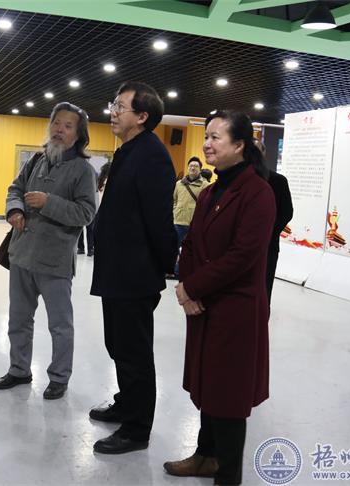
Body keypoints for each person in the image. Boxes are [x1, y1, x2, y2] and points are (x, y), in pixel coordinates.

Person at [164, 110, 275, 486]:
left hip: (235, 309)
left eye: (216, 137)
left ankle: (228, 475)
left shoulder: (258, 192)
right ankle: (205, 456)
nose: (207, 144)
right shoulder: (212, 191)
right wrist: (186, 286)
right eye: (206, 136)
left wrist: (191, 287)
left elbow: (243, 256)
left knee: (228, 395)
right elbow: (192, 243)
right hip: (205, 305)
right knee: (208, 385)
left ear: (239, 145)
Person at [90, 82, 177, 454]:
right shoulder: (129, 151)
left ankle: (137, 429)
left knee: (134, 353)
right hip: (117, 270)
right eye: (113, 104)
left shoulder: (152, 156)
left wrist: (163, 266)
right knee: (117, 344)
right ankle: (127, 403)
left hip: (135, 274)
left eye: (120, 106)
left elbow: (159, 221)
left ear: (142, 116)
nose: (112, 112)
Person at [0, 102, 96, 400]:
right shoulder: (37, 160)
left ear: (78, 135)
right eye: (56, 123)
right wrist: (15, 210)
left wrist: (48, 202)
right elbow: (15, 189)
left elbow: (86, 213)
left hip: (54, 261)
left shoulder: (83, 170)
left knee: (60, 325)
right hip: (22, 255)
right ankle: (19, 369)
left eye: (67, 126)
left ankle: (59, 377)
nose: (59, 130)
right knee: (18, 320)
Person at [254, 139, 294, 301]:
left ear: (263, 154)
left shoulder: (278, 181)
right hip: (237, 247)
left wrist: (269, 232)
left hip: (268, 246)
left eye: (257, 151)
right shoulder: (235, 181)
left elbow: (286, 212)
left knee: (264, 290)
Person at [172, 156, 209, 277]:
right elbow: (174, 200)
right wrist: (175, 210)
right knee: (175, 248)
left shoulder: (205, 185)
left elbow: (206, 204)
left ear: (200, 169)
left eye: (196, 166)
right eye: (191, 166)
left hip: (194, 223)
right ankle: (175, 271)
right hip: (178, 221)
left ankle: (187, 270)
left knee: (190, 249)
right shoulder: (179, 184)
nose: (193, 168)